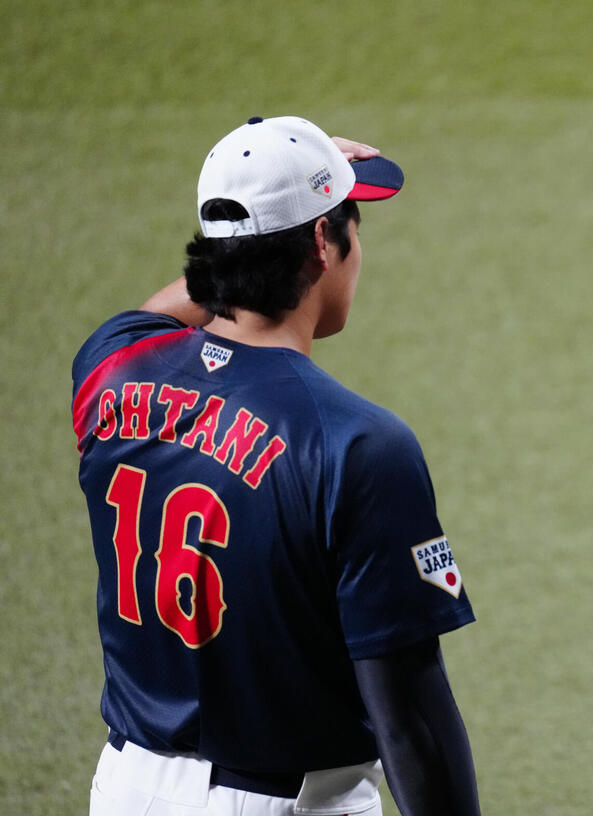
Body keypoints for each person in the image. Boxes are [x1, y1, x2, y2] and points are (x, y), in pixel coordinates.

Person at [72, 116, 481, 815]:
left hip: (126, 790)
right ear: (325, 242)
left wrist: (257, 219)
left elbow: (158, 316)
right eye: (351, 223)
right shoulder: (355, 444)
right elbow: (409, 720)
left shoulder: (110, 368)